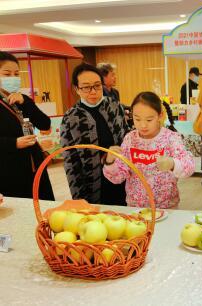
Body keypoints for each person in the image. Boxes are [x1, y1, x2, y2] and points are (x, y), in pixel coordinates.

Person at [103, 92, 194, 208]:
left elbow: (189, 167)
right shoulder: (130, 139)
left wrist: (172, 164)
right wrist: (110, 162)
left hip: (167, 207)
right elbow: (118, 177)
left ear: (160, 116)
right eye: (137, 119)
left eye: (149, 120)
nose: (143, 125)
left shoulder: (170, 138)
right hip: (135, 208)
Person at [60, 63, 129, 205]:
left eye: (97, 85)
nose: (93, 91)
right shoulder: (71, 117)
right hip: (92, 183)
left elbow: (126, 138)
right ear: (76, 89)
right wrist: (78, 197)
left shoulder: (114, 107)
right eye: (86, 87)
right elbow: (70, 161)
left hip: (120, 175)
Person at [0, 51, 54, 200]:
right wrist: (14, 143)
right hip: (8, 169)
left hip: (34, 165)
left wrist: (25, 103)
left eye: (16, 74)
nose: (13, 78)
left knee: (42, 204)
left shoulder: (22, 99)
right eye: (7, 74)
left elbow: (44, 124)